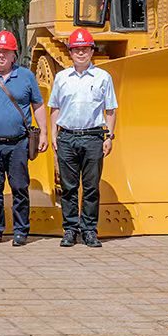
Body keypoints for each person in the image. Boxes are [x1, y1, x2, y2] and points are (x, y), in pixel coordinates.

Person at [0, 30, 48, 247]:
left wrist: (44, 132)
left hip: (18, 143)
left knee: (20, 188)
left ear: (14, 55)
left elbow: (38, 106)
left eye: (6, 51)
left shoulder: (26, 77)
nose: (1, 55)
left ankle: (21, 231)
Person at [48, 29, 118, 248]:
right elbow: (55, 108)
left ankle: (89, 230)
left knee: (91, 187)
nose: (80, 53)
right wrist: (53, 135)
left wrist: (109, 137)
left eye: (85, 49)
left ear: (91, 51)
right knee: (68, 187)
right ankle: (70, 229)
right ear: (70, 52)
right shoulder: (61, 78)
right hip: (67, 138)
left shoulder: (103, 77)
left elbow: (111, 110)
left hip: (93, 138)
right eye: (76, 49)